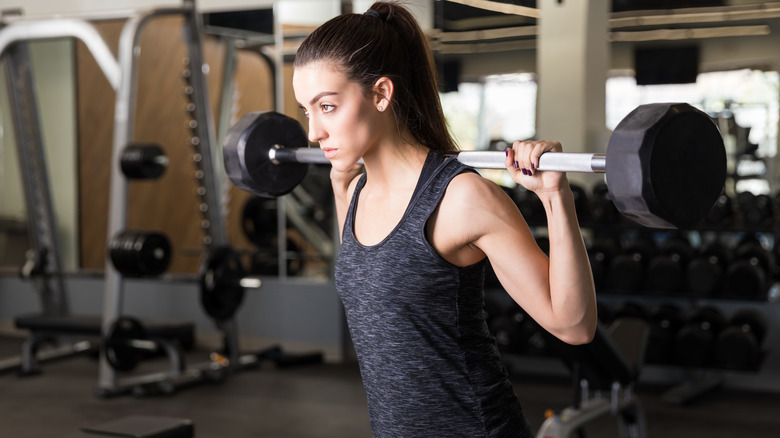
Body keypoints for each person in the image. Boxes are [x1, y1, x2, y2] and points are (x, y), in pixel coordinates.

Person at [292, 2, 597, 436]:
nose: (313, 133)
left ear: (380, 94)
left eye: (326, 107)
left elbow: (574, 326)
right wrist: (342, 185)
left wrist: (555, 197)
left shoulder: (461, 198)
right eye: (307, 110)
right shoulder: (357, 191)